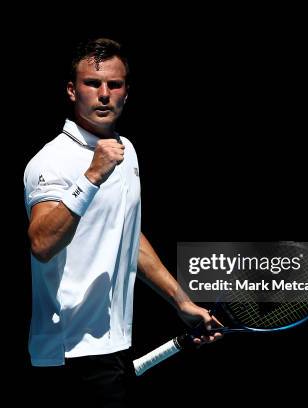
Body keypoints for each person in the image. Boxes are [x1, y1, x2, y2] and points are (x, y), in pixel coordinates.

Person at [23, 38, 221, 406]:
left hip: (114, 346)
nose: (103, 94)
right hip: (69, 355)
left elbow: (125, 234)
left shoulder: (125, 152)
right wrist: (92, 176)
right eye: (91, 84)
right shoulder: (50, 161)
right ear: (71, 90)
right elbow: (42, 244)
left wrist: (180, 301)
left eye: (113, 85)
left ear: (126, 92)